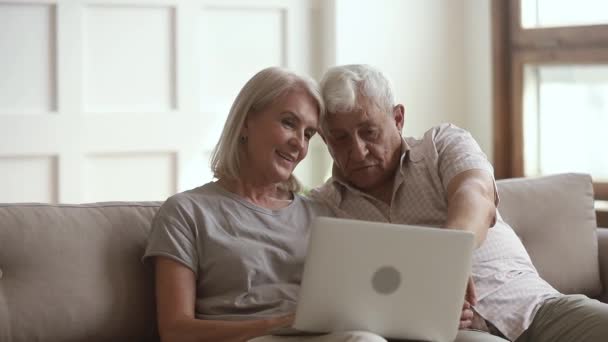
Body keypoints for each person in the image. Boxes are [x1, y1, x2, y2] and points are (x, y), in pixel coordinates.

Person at [310, 64, 608, 342]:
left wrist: (449, 258)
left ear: (398, 118)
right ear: (325, 140)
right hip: (447, 333)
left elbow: (475, 194)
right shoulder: (323, 208)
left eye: (369, 132)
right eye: (341, 139)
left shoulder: (443, 144)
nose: (358, 151)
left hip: (531, 306)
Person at [143, 67, 388, 342]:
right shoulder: (185, 212)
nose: (299, 143)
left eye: (308, 134)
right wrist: (277, 325)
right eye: (288, 123)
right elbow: (175, 331)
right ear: (246, 122)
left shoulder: (323, 216)